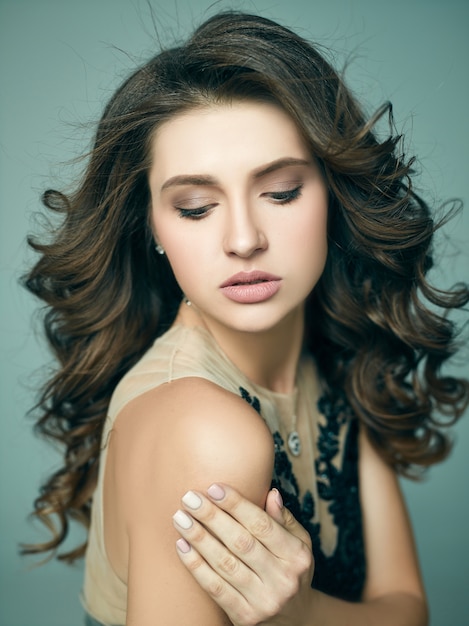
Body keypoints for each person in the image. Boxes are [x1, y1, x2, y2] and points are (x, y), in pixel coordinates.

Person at [22, 11, 468, 626]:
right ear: (151, 225)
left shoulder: (335, 358)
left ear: (334, 194)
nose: (243, 239)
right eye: (196, 207)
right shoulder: (200, 428)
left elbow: (408, 610)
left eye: (281, 192)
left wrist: (302, 613)